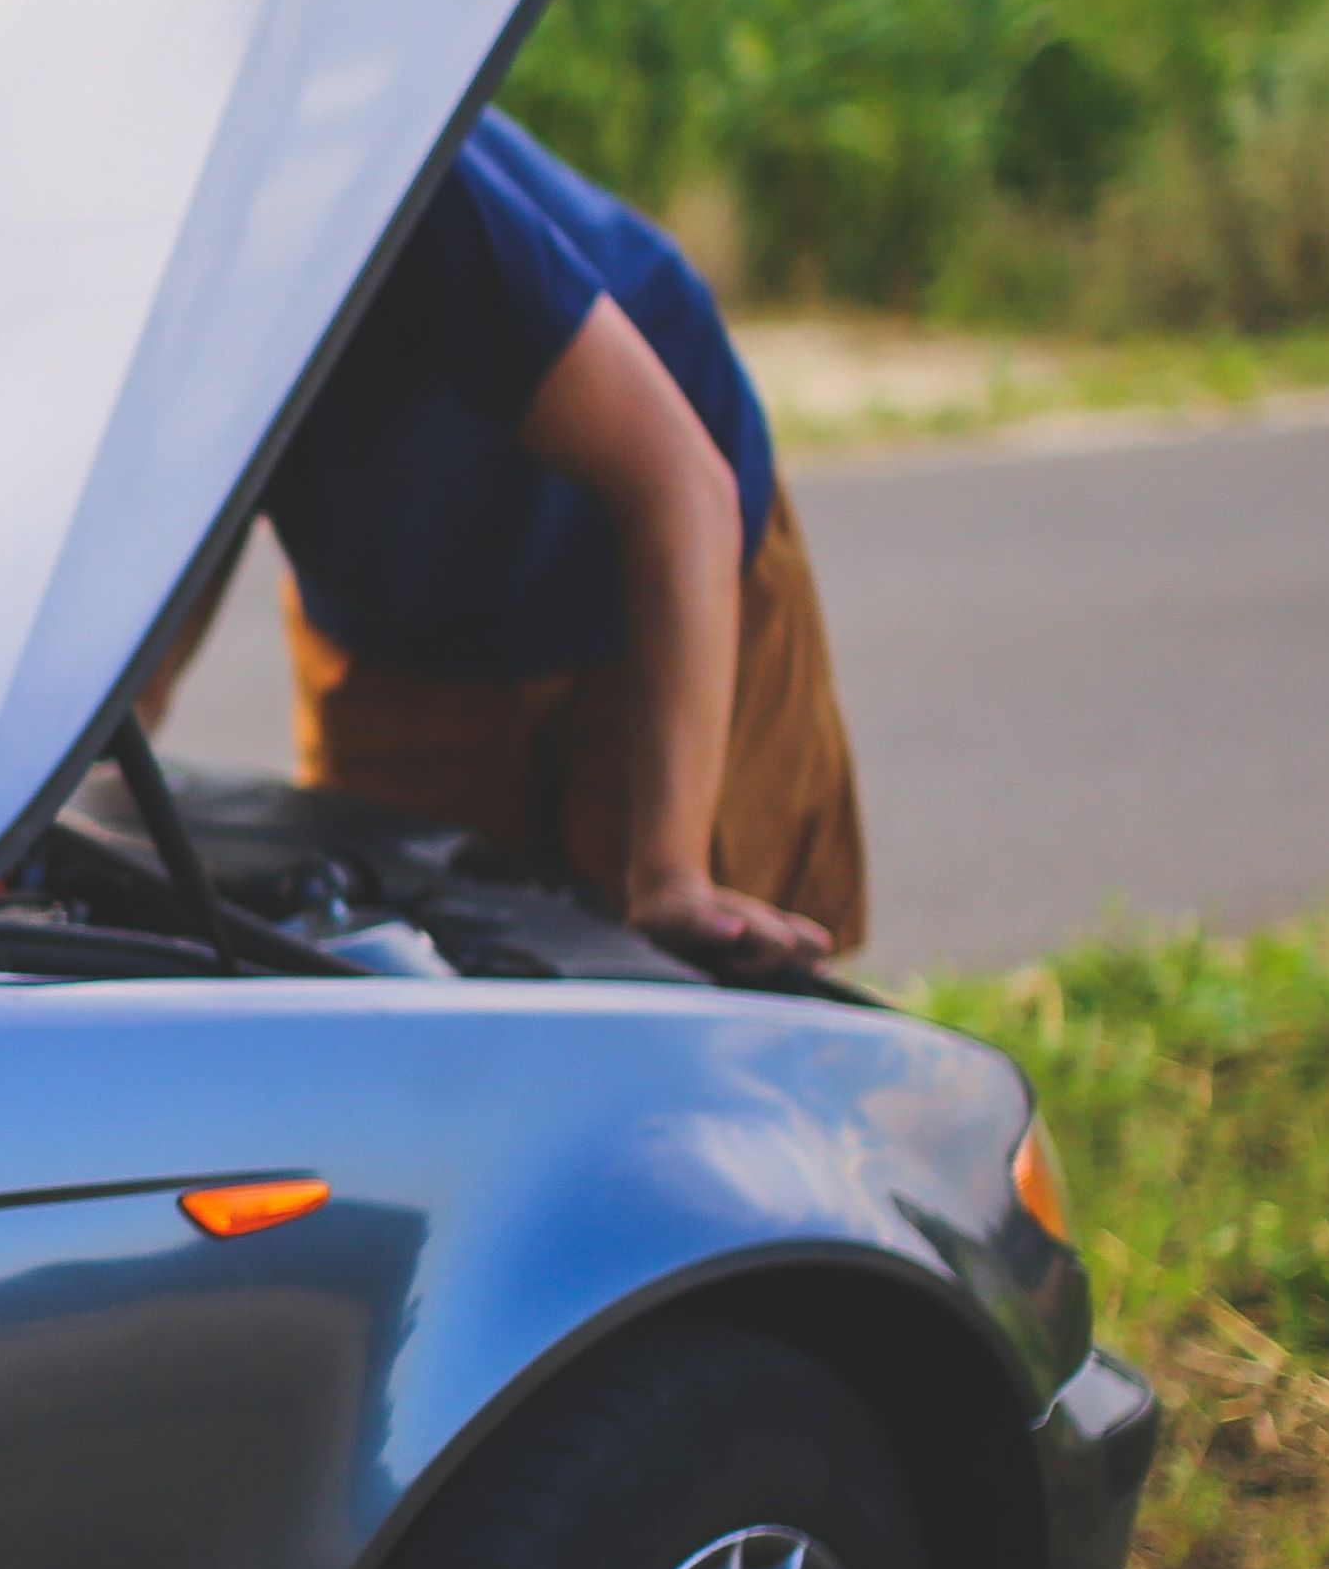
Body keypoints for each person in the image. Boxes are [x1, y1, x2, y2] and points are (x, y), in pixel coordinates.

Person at [225, 109, 866, 971]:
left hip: (657, 564)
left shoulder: (389, 178)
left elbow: (680, 489)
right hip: (396, 617)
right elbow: (172, 525)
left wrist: (670, 870)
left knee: (691, 975)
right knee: (404, 980)